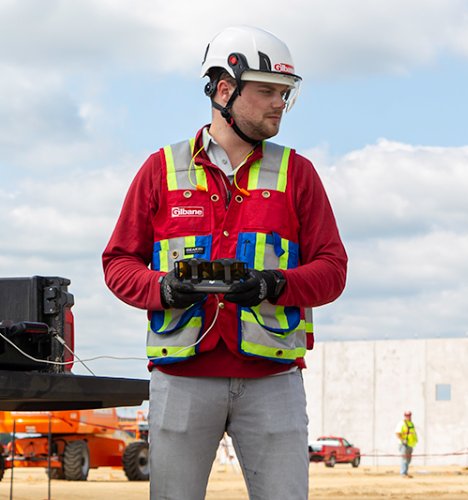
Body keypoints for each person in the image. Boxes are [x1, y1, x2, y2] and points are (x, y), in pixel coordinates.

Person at [102, 25, 347, 500]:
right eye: (268, 91)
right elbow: (118, 262)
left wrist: (273, 283)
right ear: (224, 89)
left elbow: (332, 268)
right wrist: (163, 289)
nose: (280, 103)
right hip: (182, 378)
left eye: (285, 93)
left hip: (273, 380)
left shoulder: (298, 173)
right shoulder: (161, 169)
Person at [397, 411, 418, 478]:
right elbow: (397, 433)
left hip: (410, 444)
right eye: (407, 415)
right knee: (404, 459)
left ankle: (405, 472)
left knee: (408, 460)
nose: (408, 416)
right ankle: (403, 473)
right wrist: (402, 440)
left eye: (409, 415)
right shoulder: (402, 423)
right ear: (404, 416)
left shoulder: (411, 423)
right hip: (404, 445)